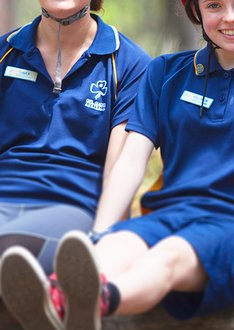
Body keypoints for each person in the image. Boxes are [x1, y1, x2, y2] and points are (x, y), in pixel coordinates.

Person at [0, 0, 234, 330]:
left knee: (167, 257)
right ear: (196, 12)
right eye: (214, 5)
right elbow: (131, 161)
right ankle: (57, 299)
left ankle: (96, 302)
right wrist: (99, 234)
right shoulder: (166, 72)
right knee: (114, 247)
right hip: (166, 215)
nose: (230, 17)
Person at [0, 1, 149, 274]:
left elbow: (119, 172)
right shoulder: (4, 52)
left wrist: (101, 239)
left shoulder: (130, 64)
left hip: (71, 207)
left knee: (12, 258)